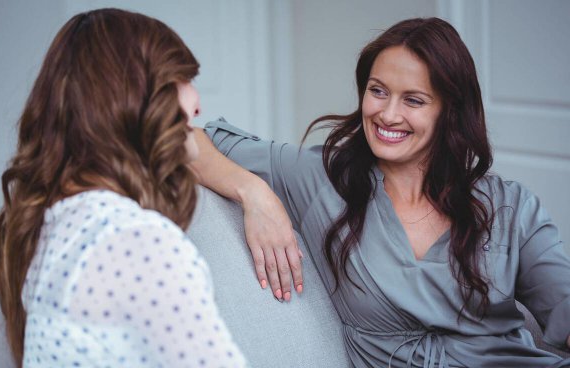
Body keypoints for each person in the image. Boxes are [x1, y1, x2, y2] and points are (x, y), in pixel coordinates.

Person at [191, 17, 570, 367]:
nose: (388, 114)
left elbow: (563, 305)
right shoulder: (320, 178)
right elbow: (181, 138)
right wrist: (254, 193)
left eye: (413, 100)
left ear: (449, 111)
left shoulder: (511, 206)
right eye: (378, 91)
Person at [0, 8, 246, 368]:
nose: (197, 104)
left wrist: (251, 191)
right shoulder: (139, 242)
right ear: (134, 97)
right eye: (182, 79)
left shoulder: (54, 227)